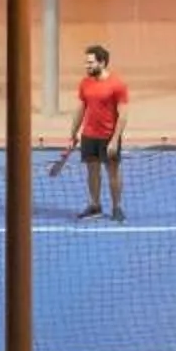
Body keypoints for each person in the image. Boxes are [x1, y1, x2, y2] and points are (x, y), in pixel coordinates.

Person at [55, 43, 130, 220]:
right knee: (92, 171)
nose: (87, 66)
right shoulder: (85, 83)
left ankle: (117, 208)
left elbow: (123, 115)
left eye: (91, 63)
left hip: (108, 137)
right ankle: (95, 205)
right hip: (89, 136)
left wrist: (114, 140)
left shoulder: (117, 84)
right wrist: (73, 133)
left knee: (113, 172)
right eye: (86, 63)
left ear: (102, 63)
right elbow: (81, 109)